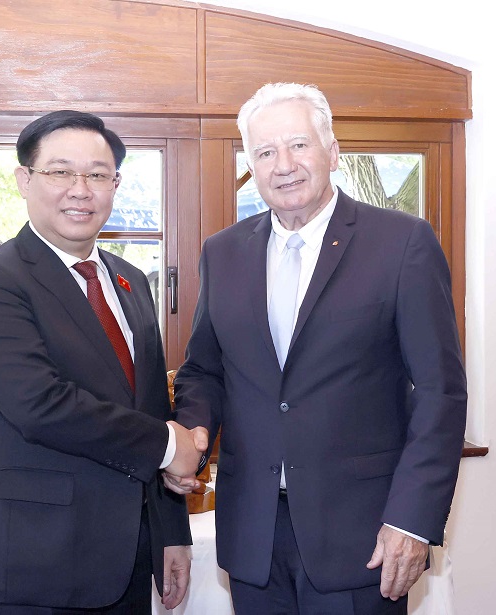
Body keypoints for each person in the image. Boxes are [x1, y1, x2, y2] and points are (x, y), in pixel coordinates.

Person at [166, 83, 467, 614]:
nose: (284, 165)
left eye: (298, 145)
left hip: (364, 535)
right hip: (253, 534)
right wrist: (193, 432)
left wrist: (411, 520)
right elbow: (204, 371)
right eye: (265, 152)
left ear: (332, 151)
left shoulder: (402, 243)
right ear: (251, 167)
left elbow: (440, 392)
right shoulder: (223, 252)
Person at [0, 110, 203, 614]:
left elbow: (151, 407)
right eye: (61, 171)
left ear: (115, 185)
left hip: (128, 557)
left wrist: (172, 531)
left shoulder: (131, 281)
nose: (80, 190)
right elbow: (38, 404)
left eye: (97, 175)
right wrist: (168, 444)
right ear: (25, 180)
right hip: (34, 560)